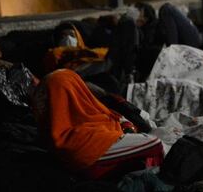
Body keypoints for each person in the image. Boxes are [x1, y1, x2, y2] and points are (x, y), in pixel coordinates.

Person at [30, 69, 164, 180]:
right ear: (77, 94)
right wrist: (129, 130)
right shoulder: (84, 140)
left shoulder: (56, 134)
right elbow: (153, 143)